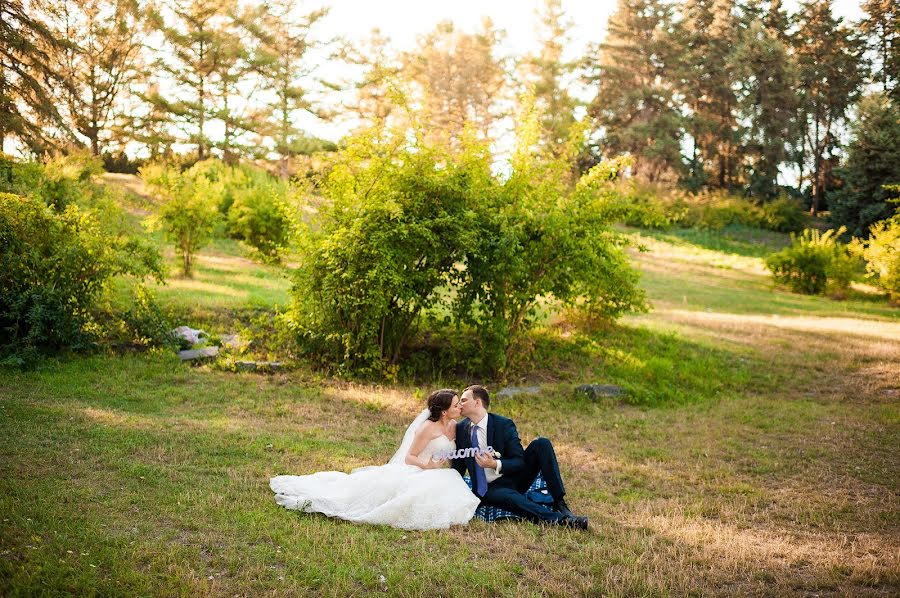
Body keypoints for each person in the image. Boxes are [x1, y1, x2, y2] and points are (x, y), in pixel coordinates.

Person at [269, 389, 480, 530]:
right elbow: (409, 457)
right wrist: (428, 465)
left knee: (450, 479)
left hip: (440, 473)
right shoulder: (427, 428)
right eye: (455, 405)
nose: (459, 408)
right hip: (418, 470)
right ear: (444, 412)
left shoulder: (455, 426)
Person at [452, 384, 588, 529]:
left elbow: (519, 461)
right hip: (489, 488)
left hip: (514, 477)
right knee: (512, 498)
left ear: (477, 402)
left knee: (542, 443)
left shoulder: (503, 424)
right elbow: (459, 466)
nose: (460, 404)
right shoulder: (461, 429)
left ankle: (559, 502)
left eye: (464, 400)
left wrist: (495, 464)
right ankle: (564, 521)